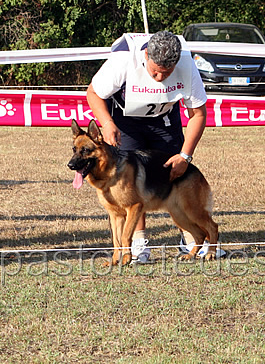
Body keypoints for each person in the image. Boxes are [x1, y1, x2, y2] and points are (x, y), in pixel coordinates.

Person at [87, 30, 221, 262]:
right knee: (129, 183)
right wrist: (107, 124)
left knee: (176, 176)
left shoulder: (187, 65)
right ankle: (138, 243)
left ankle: (192, 238)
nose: (159, 77)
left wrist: (185, 156)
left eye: (166, 73)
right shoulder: (122, 60)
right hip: (124, 121)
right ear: (146, 54)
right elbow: (94, 93)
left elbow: (198, 114)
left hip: (165, 119)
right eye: (155, 70)